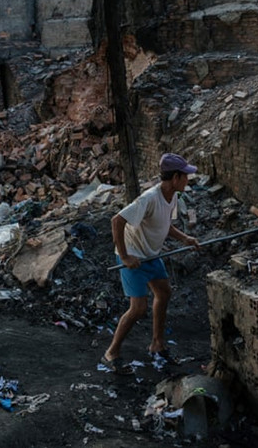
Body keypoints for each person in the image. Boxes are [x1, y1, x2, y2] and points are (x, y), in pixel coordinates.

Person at [100, 153, 200, 374]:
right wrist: (125, 257)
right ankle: (111, 352)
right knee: (138, 308)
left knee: (164, 293)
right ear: (175, 177)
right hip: (134, 255)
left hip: (151, 255)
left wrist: (186, 238)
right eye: (186, 176)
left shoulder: (172, 196)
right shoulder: (149, 197)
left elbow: (165, 225)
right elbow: (117, 220)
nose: (188, 180)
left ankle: (157, 343)